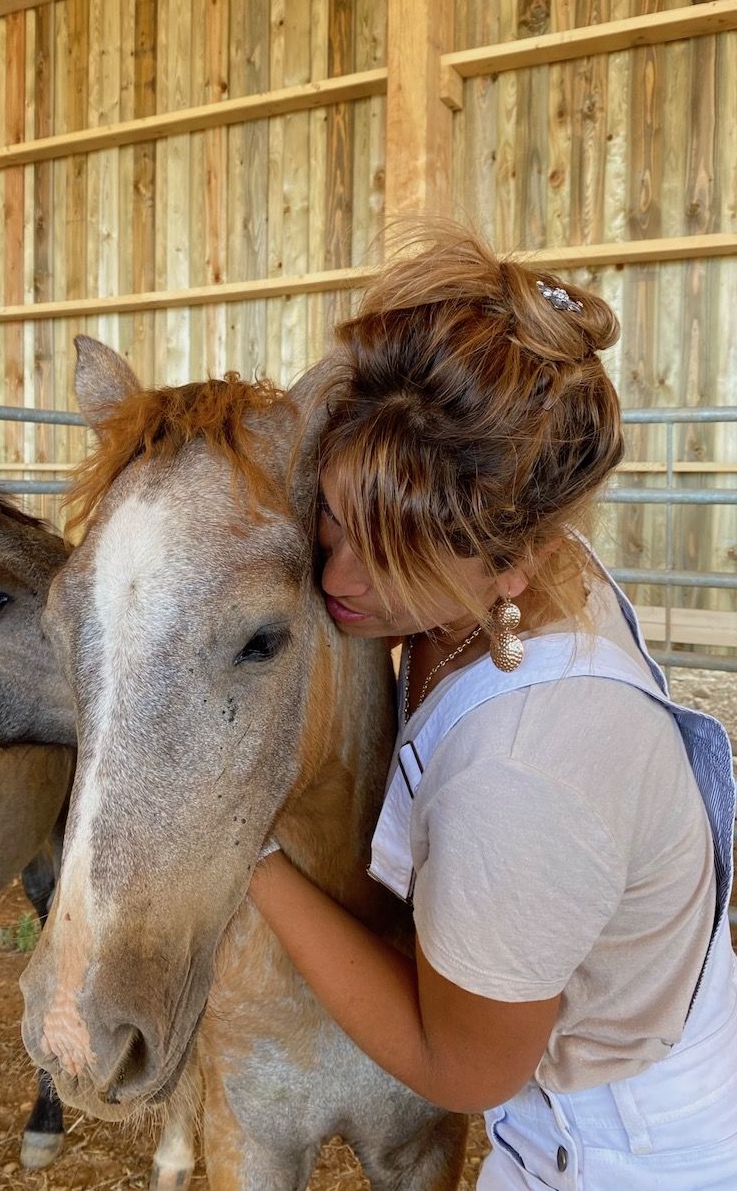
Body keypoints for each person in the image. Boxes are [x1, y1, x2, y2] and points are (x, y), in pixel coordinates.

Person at [249, 224, 737, 1189]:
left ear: (519, 558)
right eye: (335, 520)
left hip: (615, 1152)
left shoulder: (525, 770)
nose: (334, 575)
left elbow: (465, 1067)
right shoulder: (500, 563)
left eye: (391, 559)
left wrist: (250, 858)